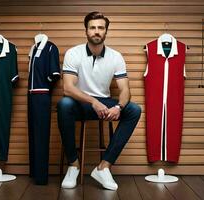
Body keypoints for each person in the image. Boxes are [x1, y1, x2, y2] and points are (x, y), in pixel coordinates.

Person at [57, 11, 141, 191]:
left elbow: (125, 89)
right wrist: (93, 102)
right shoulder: (73, 53)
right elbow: (68, 88)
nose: (96, 31)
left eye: (100, 28)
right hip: (80, 103)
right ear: (86, 31)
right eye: (92, 27)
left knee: (134, 110)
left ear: (106, 31)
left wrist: (118, 106)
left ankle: (104, 167)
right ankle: (73, 165)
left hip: (104, 103)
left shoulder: (116, 56)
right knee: (64, 104)